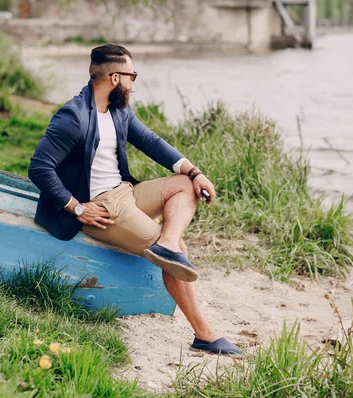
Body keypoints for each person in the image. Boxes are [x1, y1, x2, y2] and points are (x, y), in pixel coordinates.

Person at [28, 44, 241, 357]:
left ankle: (167, 242)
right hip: (101, 208)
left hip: (125, 191)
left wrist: (195, 172)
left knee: (184, 185)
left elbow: (151, 142)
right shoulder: (73, 116)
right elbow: (39, 167)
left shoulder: (118, 110)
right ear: (115, 77)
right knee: (178, 252)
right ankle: (204, 334)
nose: (133, 83)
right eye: (132, 76)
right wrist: (77, 207)